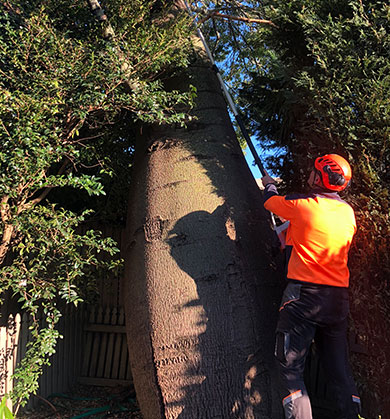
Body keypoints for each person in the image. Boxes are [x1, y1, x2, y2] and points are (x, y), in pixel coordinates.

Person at [262, 154, 361, 419]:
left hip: (304, 297)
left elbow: (270, 202)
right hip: (337, 300)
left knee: (290, 368)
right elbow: (315, 238)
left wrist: (269, 184)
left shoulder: (304, 205)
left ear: (320, 178)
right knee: (339, 371)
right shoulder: (348, 214)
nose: (310, 174)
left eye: (313, 171)